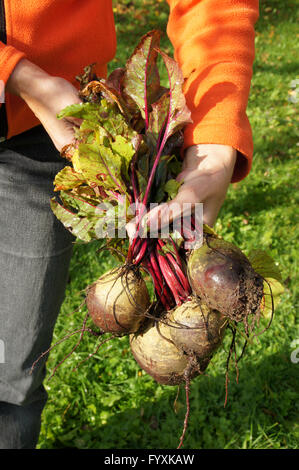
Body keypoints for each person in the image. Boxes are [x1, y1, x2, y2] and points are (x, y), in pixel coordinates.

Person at [0, 0, 259, 448]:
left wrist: (215, 142)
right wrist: (16, 75)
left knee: (12, 372)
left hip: (52, 127)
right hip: (41, 94)